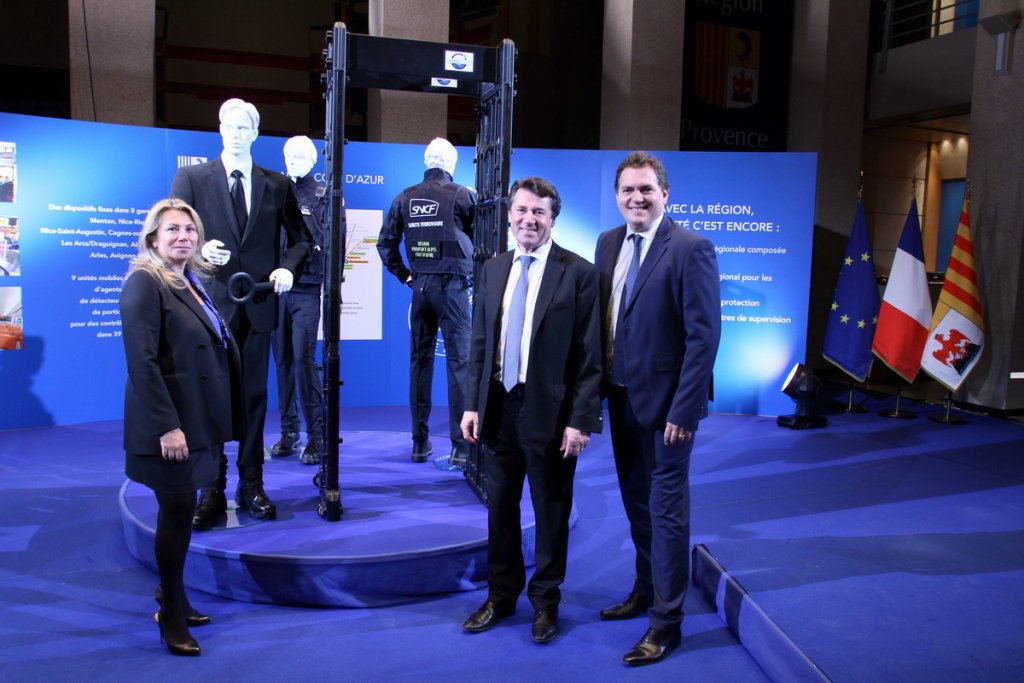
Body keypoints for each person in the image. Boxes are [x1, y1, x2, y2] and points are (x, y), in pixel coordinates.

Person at [460, 176, 603, 644]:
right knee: (499, 509)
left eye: (539, 212)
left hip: (553, 416)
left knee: (551, 511)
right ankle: (500, 597)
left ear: (553, 219)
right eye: (521, 210)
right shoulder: (494, 268)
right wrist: (471, 405)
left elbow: (589, 357)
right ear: (509, 216)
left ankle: (546, 603)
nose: (529, 220)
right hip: (498, 409)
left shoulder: (579, 273)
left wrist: (582, 420)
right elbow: (479, 343)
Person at [595, 151, 721, 666]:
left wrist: (684, 412)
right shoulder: (607, 243)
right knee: (637, 507)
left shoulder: (692, 248)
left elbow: (704, 338)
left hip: (669, 412)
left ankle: (666, 624)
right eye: (627, 190)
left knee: (667, 513)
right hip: (621, 400)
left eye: (646, 189)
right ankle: (646, 590)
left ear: (664, 194)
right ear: (618, 196)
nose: (636, 198)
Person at [170, 98, 312, 529]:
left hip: (258, 307)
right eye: (229, 125)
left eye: (244, 126)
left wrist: (287, 267)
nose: (236, 132)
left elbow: (301, 239)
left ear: (255, 132)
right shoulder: (192, 178)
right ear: (219, 129)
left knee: (253, 399)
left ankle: (252, 484)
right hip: (210, 307)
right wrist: (198, 249)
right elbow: (174, 233)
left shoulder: (276, 184)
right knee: (210, 398)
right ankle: (211, 488)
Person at [119, 198, 243, 656]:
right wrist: (167, 427)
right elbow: (142, 364)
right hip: (170, 428)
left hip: (197, 419)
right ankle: (170, 611)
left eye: (189, 230)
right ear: (153, 236)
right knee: (175, 516)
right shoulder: (143, 283)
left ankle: (175, 596)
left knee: (182, 514)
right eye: (172, 230)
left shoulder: (191, 280)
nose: (183, 237)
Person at [377, 138, 476, 466]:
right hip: (453, 292)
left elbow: (385, 245)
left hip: (420, 291)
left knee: (420, 363)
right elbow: (484, 241)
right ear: (452, 163)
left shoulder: (404, 197)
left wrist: (406, 276)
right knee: (458, 365)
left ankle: (419, 443)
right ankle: (461, 448)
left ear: (426, 161)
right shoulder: (463, 195)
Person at [268, 136, 326, 465]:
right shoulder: (274, 191)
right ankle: (289, 430)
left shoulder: (322, 196)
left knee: (304, 359)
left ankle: (316, 436)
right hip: (276, 287)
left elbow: (331, 243)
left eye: (301, 155)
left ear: (313, 159)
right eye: (289, 154)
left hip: (307, 287)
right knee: (283, 361)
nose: (293, 159)